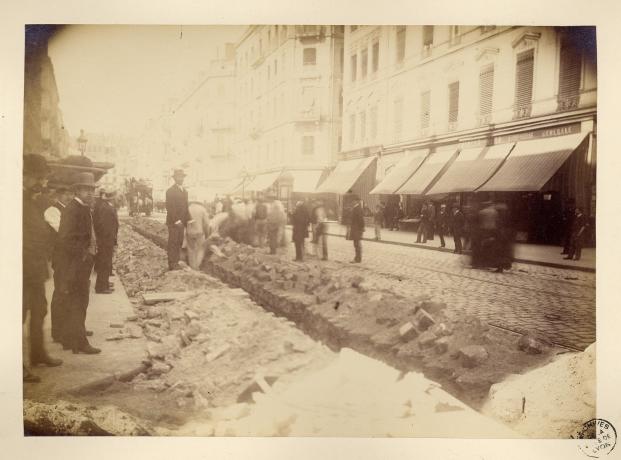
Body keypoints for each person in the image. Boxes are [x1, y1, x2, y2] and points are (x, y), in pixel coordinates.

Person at [23, 154, 63, 382]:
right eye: (38, 178)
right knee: (16, 316)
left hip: (35, 268)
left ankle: (38, 354)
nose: (42, 183)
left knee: (39, 311)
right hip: (19, 269)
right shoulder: (14, 198)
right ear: (25, 176)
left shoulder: (34, 199)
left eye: (43, 179)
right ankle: (15, 367)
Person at [55, 172, 101, 354]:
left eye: (91, 190)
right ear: (77, 191)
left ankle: (70, 338)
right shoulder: (73, 209)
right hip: (75, 265)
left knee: (76, 301)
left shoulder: (81, 208)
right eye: (85, 190)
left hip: (79, 264)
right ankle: (80, 342)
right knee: (79, 302)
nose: (90, 193)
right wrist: (83, 254)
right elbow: (64, 239)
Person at [44, 184, 73, 344]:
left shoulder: (69, 209)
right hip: (61, 257)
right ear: (58, 195)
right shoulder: (52, 210)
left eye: (70, 194)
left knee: (71, 292)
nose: (68, 197)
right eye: (65, 194)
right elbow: (62, 231)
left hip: (71, 257)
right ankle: (58, 331)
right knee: (61, 292)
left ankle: (72, 328)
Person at [93, 187, 119, 293]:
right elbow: (103, 226)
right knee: (104, 263)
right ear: (113, 197)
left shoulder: (107, 206)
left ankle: (105, 283)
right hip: (105, 241)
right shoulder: (106, 208)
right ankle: (101, 287)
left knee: (106, 263)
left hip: (107, 240)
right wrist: (109, 240)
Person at [165, 169, 191, 270]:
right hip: (173, 222)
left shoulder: (185, 191)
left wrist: (189, 219)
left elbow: (186, 207)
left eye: (182, 177)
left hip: (182, 222)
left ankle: (176, 262)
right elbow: (170, 207)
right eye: (178, 177)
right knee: (173, 242)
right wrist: (176, 220)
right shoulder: (170, 191)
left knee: (179, 242)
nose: (181, 179)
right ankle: (172, 264)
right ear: (175, 178)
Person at [185, 201, 210, 270]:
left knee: (191, 250)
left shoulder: (187, 208)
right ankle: (197, 267)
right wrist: (207, 234)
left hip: (189, 233)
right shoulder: (202, 209)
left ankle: (193, 268)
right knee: (200, 250)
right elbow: (207, 224)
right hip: (200, 233)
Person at [349, 196, 365, 263]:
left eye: (353, 201)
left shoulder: (357, 209)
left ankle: (357, 259)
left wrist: (362, 227)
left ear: (356, 201)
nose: (351, 202)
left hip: (357, 229)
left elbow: (361, 219)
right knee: (356, 244)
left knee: (357, 244)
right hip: (356, 228)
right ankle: (358, 258)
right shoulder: (356, 208)